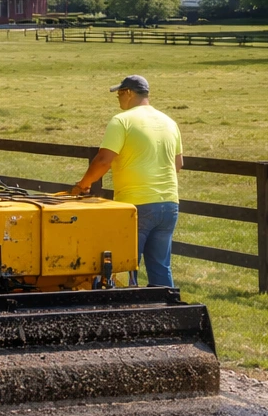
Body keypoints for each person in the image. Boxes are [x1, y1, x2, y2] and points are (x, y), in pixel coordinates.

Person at [70, 74, 184, 288]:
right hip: (169, 204)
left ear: (129, 93)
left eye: (120, 93)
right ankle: (165, 305)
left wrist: (83, 185)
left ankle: (129, 305)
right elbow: (178, 164)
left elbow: (103, 160)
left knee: (126, 265)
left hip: (136, 205)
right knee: (161, 267)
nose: (118, 98)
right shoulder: (169, 122)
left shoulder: (122, 121)